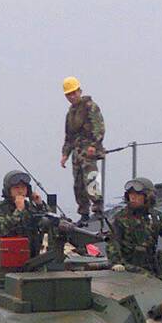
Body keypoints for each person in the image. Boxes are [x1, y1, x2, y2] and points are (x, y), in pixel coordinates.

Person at [107, 177, 162, 275]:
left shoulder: (156, 217)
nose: (133, 197)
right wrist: (116, 263)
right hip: (128, 269)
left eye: (138, 195)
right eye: (131, 194)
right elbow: (112, 242)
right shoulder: (120, 218)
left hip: (150, 269)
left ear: (147, 197)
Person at [59, 76, 105, 227]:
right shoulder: (71, 113)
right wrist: (65, 154)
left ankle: (98, 209)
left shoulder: (90, 106)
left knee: (91, 179)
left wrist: (94, 144)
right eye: (69, 94)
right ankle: (84, 213)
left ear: (79, 91)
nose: (72, 96)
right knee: (78, 184)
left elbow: (99, 127)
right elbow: (69, 136)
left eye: (74, 93)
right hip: (77, 152)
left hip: (89, 151)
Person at [0, 170, 49, 260]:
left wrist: (40, 205)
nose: (20, 191)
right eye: (16, 188)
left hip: (35, 257)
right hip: (11, 258)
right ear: (8, 190)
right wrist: (18, 211)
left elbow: (47, 223)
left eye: (23, 188)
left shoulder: (31, 207)